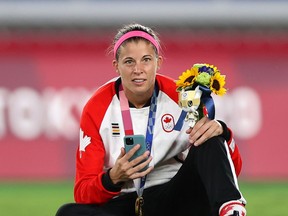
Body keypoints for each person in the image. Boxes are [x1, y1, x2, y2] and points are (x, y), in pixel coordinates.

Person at [56, 23, 246, 216]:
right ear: (116, 66)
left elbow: (227, 172)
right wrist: (112, 178)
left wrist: (224, 134)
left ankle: (232, 212)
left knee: (210, 133)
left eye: (146, 60)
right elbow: (83, 192)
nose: (138, 69)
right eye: (129, 61)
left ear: (158, 62)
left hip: (175, 198)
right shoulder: (97, 107)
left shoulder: (181, 96)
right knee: (68, 213)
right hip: (123, 203)